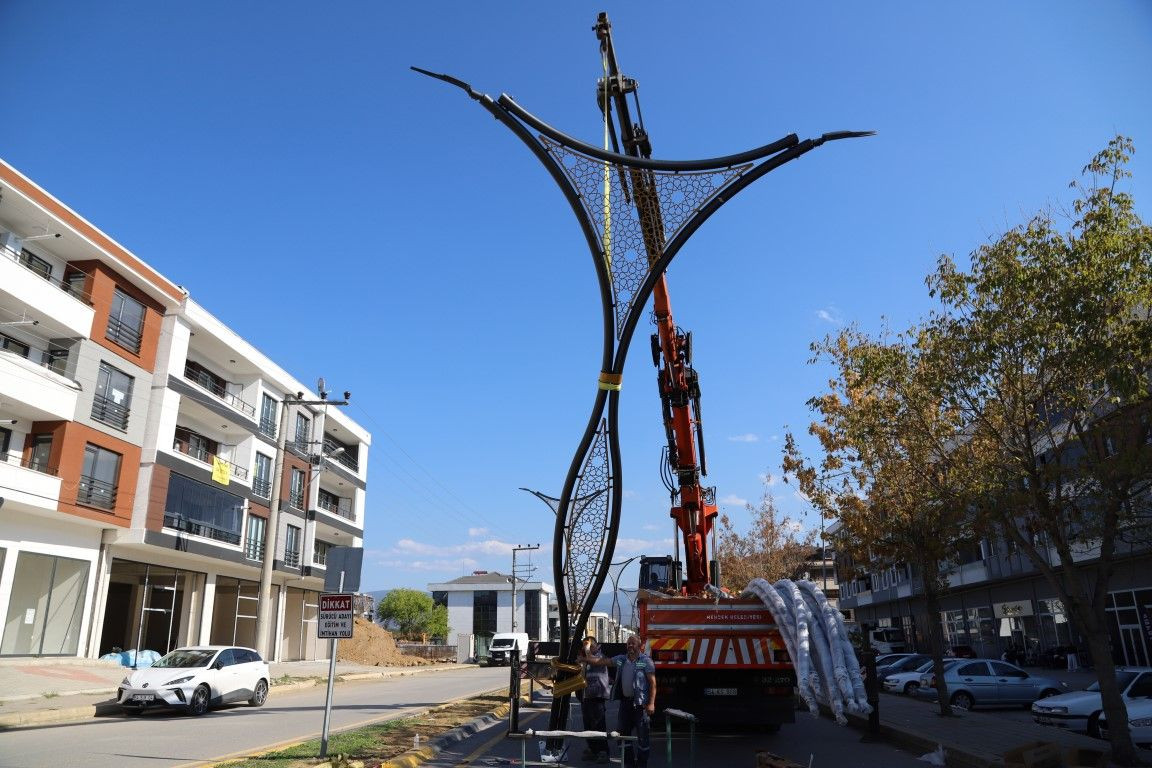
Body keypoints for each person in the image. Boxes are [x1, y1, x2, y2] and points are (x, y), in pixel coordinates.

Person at [581, 634, 656, 768]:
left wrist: (651, 703)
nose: (630, 646)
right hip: (625, 704)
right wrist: (586, 658)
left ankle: (641, 764)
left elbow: (652, 684)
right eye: (628, 643)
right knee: (621, 736)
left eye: (633, 643)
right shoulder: (621, 659)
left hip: (640, 706)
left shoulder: (646, 661)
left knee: (643, 738)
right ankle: (628, 764)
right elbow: (602, 661)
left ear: (640, 646)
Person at [579, 636, 610, 763]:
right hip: (587, 695)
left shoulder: (600, 657)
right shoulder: (586, 659)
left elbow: (594, 660)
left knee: (599, 724)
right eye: (587, 646)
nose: (589, 648)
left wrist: (586, 651)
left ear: (597, 646)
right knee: (588, 724)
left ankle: (603, 751)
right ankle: (592, 749)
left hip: (597, 695)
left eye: (591, 646)